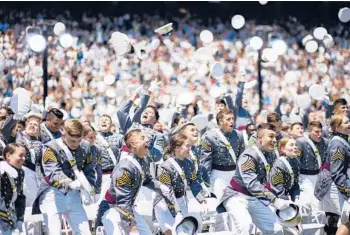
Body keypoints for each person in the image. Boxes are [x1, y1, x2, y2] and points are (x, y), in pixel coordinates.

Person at [100, 129, 175, 235]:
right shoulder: (124, 167)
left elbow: (147, 180)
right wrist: (132, 227)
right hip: (112, 209)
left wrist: (162, 187)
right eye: (143, 138)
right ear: (133, 144)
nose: (148, 140)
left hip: (127, 207)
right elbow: (122, 201)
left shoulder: (143, 160)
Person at [217, 123, 287, 234]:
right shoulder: (249, 155)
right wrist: (274, 199)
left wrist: (281, 198)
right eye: (270, 136)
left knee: (276, 230)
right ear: (259, 139)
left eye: (275, 137)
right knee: (245, 226)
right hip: (236, 197)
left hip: (255, 198)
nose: (274, 140)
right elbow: (252, 184)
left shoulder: (271, 154)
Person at [32, 119, 97, 235]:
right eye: (72, 140)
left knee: (85, 231)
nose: (75, 144)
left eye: (79, 140)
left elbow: (89, 170)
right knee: (54, 232)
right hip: (52, 193)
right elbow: (52, 172)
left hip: (73, 193)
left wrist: (88, 186)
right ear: (63, 132)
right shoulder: (50, 147)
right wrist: (70, 183)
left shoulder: (86, 146)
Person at [154, 133, 208, 235]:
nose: (190, 149)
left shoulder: (189, 163)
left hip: (181, 201)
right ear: (177, 148)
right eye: (187, 146)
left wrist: (202, 200)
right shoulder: (164, 167)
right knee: (172, 232)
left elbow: (193, 183)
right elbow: (167, 193)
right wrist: (177, 211)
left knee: (184, 232)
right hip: (165, 204)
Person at [199, 108, 245, 201]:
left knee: (238, 203)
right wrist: (205, 183)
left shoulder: (239, 135)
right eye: (228, 119)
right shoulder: (209, 136)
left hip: (234, 174)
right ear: (220, 121)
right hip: (218, 175)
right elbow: (205, 161)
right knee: (219, 204)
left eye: (232, 118)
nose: (232, 121)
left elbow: (242, 157)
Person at [296, 121, 329, 234]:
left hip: (319, 176)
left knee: (318, 207)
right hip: (304, 177)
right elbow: (295, 162)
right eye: (316, 132)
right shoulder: (301, 142)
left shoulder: (325, 142)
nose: (319, 134)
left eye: (320, 131)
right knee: (305, 205)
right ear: (309, 131)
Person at [326, 114, 350, 235]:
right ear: (337, 127)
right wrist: (348, 191)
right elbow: (336, 173)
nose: (349, 124)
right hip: (341, 188)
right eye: (346, 123)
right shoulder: (337, 145)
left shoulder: (343, 140)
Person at [0, 143, 26, 235]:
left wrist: (20, 218)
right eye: (20, 155)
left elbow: (20, 197)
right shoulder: (1, 170)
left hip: (9, 217)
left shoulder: (21, 172)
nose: (23, 158)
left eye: (24, 156)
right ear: (8, 156)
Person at [270, 137, 301, 201]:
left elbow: (294, 184)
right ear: (283, 149)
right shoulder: (279, 165)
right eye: (291, 145)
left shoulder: (295, 161)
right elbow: (278, 190)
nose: (295, 147)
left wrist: (296, 197)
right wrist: (289, 204)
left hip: (287, 196)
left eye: (296, 145)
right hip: (277, 200)